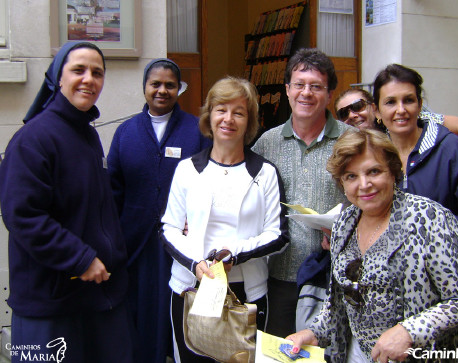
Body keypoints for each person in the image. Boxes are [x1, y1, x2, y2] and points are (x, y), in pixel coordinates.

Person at [287, 128, 458, 363]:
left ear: (392, 172)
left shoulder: (430, 219)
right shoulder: (344, 225)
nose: (364, 184)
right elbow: (338, 303)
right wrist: (313, 333)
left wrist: (410, 331)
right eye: (351, 176)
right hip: (355, 355)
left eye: (374, 171)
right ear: (341, 183)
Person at [0, 42, 133, 363]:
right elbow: (23, 216)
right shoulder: (33, 139)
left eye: (97, 73)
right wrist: (81, 258)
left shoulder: (87, 135)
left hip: (96, 297)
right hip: (50, 305)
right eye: (78, 70)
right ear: (58, 78)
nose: (89, 79)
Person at [160, 76, 289, 362]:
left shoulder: (265, 173)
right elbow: (168, 228)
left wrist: (235, 254)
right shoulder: (187, 170)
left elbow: (278, 234)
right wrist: (196, 263)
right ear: (209, 115)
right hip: (190, 289)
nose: (228, 119)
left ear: (249, 120)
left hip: (247, 292)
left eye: (238, 112)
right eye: (221, 109)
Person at [107, 58, 211, 363]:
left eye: (170, 84)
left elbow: (210, 182)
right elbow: (114, 190)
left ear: (179, 88)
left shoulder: (196, 131)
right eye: (155, 84)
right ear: (144, 88)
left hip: (181, 247)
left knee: (178, 320)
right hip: (136, 245)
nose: (162, 90)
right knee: (140, 320)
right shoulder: (126, 133)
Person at [252, 48, 352, 338]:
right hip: (278, 276)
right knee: (281, 351)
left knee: (328, 353)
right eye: (299, 85)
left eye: (316, 86)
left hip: (333, 275)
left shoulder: (351, 141)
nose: (306, 93)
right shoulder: (266, 143)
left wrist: (347, 230)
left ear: (330, 94)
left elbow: (372, 201)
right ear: (287, 90)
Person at [371, 64, 458, 249]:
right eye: (390, 102)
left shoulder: (450, 148)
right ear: (377, 111)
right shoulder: (373, 154)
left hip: (447, 265)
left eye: (408, 100)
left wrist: (434, 242)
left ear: (420, 105)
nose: (401, 110)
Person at [334, 87, 458, 178]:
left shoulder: (406, 121)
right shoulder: (354, 145)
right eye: (343, 113)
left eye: (358, 106)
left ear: (374, 107)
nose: (352, 115)